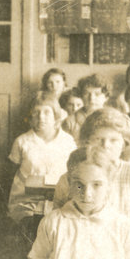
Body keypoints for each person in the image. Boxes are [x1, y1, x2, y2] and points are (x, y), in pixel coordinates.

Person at [29, 159, 130, 259]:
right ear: (69, 185)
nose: (87, 193)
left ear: (109, 186)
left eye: (96, 185)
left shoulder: (124, 227)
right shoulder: (53, 221)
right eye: (79, 184)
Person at [53, 108, 130, 232]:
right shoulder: (70, 178)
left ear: (123, 144)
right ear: (86, 142)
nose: (106, 145)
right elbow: (57, 223)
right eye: (98, 139)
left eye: (113, 140)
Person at [7, 99, 77, 244]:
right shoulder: (22, 141)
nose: (41, 117)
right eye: (36, 113)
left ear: (56, 117)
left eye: (46, 112)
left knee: (60, 228)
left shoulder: (67, 141)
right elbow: (12, 171)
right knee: (32, 230)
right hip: (27, 201)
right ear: (31, 117)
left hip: (59, 199)